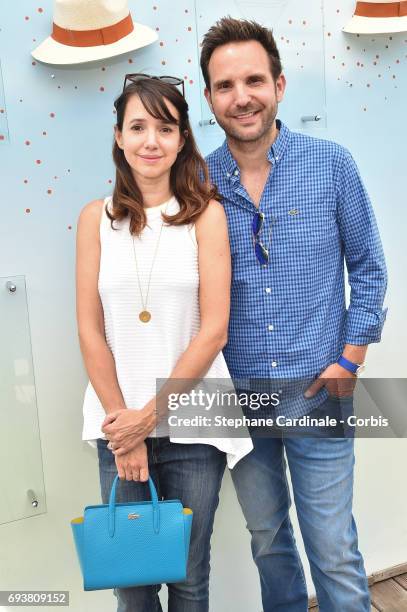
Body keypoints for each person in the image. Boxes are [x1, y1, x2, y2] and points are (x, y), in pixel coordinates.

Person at [200, 17, 388, 612]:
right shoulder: (197, 182)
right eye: (225, 86)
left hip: (318, 389)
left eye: (254, 80)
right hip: (237, 397)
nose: (242, 97)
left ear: (279, 84)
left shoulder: (330, 163)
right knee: (267, 541)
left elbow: (371, 268)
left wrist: (350, 359)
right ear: (209, 99)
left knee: (332, 546)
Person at [75, 74, 252, 612]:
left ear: (181, 141)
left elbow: (213, 328)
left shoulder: (207, 216)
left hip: (195, 419)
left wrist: (149, 417)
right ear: (119, 137)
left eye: (166, 128)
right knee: (131, 582)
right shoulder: (94, 220)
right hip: (117, 421)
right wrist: (125, 426)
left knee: (188, 577)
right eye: (138, 126)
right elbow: (90, 329)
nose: (152, 140)